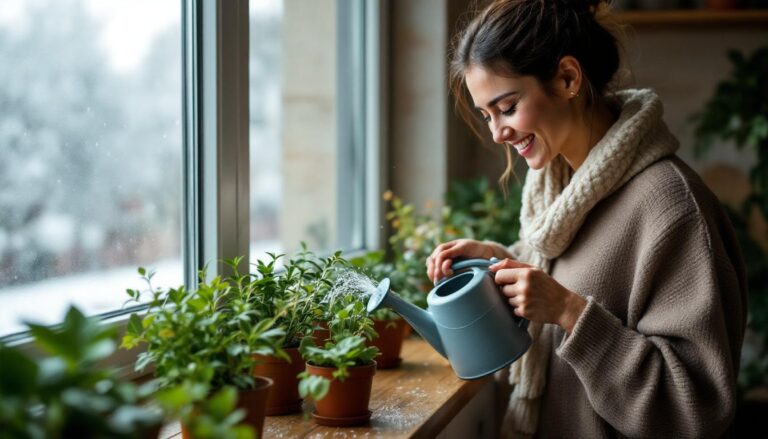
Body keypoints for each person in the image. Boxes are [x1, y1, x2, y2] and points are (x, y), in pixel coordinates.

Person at [426, 0, 747, 437]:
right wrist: (499, 261)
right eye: (486, 115)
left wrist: (569, 311)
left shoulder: (672, 208)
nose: (496, 133)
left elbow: (694, 407)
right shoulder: (559, 188)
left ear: (567, 78)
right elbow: (583, 271)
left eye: (507, 107)